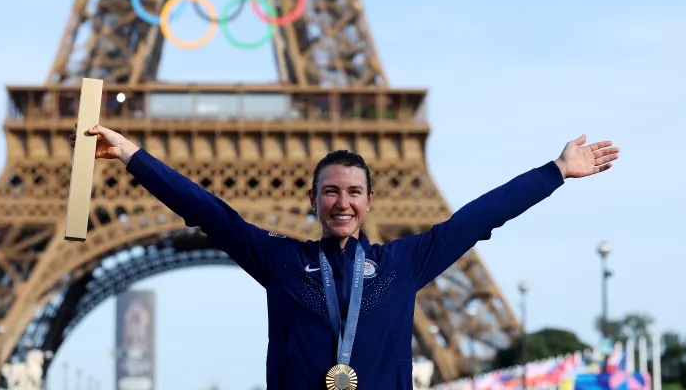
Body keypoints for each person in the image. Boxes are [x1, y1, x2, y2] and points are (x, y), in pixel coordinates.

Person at [70, 126, 619, 389]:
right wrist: (133, 157)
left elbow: (477, 219)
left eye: (353, 192)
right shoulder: (279, 260)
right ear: (314, 201)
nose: (342, 203)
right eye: (330, 192)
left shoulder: (404, 263)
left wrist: (555, 171)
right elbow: (210, 213)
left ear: (369, 202)